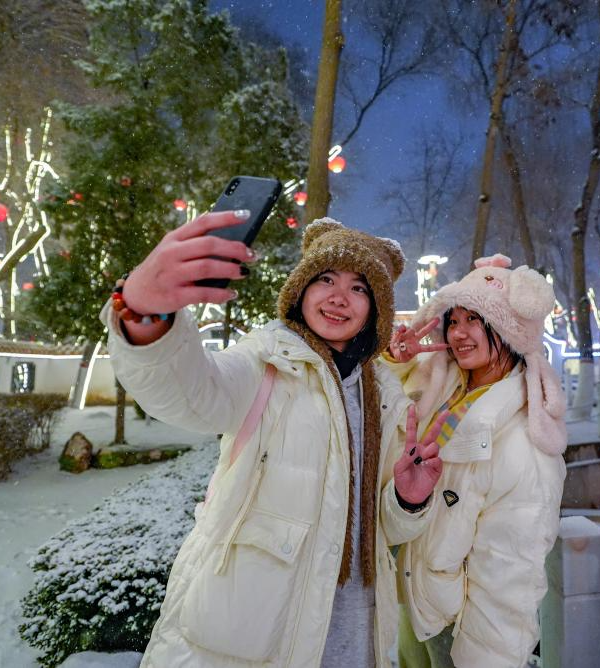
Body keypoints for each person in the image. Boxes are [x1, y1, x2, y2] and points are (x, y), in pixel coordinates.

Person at [100, 212, 448, 667]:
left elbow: (382, 531)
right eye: (326, 279)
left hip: (357, 635)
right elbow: (189, 392)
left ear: (375, 309)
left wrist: (407, 500)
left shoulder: (384, 394)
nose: (339, 298)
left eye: (359, 289)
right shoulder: (266, 360)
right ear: (301, 289)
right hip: (255, 637)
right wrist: (148, 315)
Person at [385, 254, 568, 668]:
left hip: (457, 624)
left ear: (509, 328)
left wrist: (485, 657)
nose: (458, 333)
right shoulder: (445, 388)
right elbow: (381, 418)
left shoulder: (523, 437)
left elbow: (510, 569)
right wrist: (398, 361)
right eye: (453, 320)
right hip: (413, 597)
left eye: (474, 320)